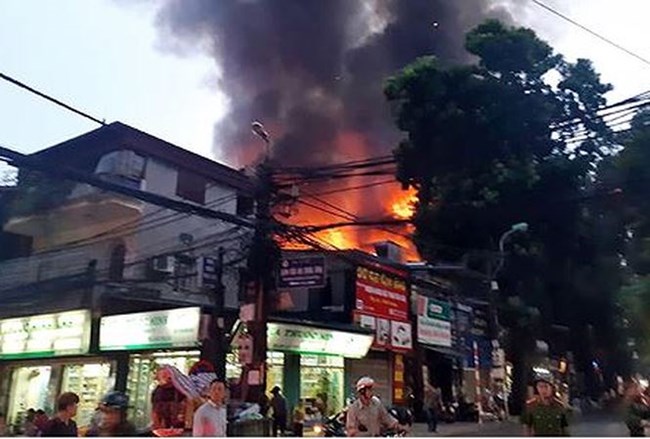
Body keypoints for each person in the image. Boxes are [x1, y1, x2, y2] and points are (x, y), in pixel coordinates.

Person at [521, 372, 569, 437]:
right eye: (540, 386)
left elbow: (564, 428)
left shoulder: (559, 406)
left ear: (552, 388)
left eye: (546, 386)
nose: (543, 390)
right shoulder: (531, 406)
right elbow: (526, 428)